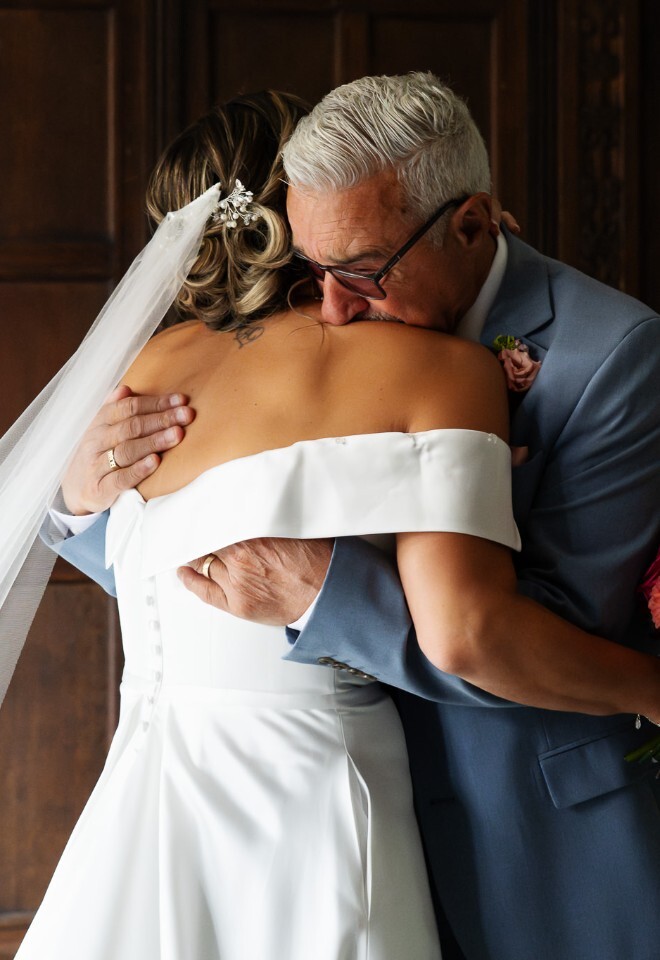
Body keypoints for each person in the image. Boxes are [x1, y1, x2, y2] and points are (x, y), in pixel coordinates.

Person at [41, 75, 660, 960]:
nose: (332, 305)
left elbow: (545, 624)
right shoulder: (253, 359)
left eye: (361, 272)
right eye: (315, 267)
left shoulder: (611, 355)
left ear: (475, 225)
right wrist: (75, 495)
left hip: (522, 827)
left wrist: (327, 591)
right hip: (286, 803)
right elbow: (195, 572)